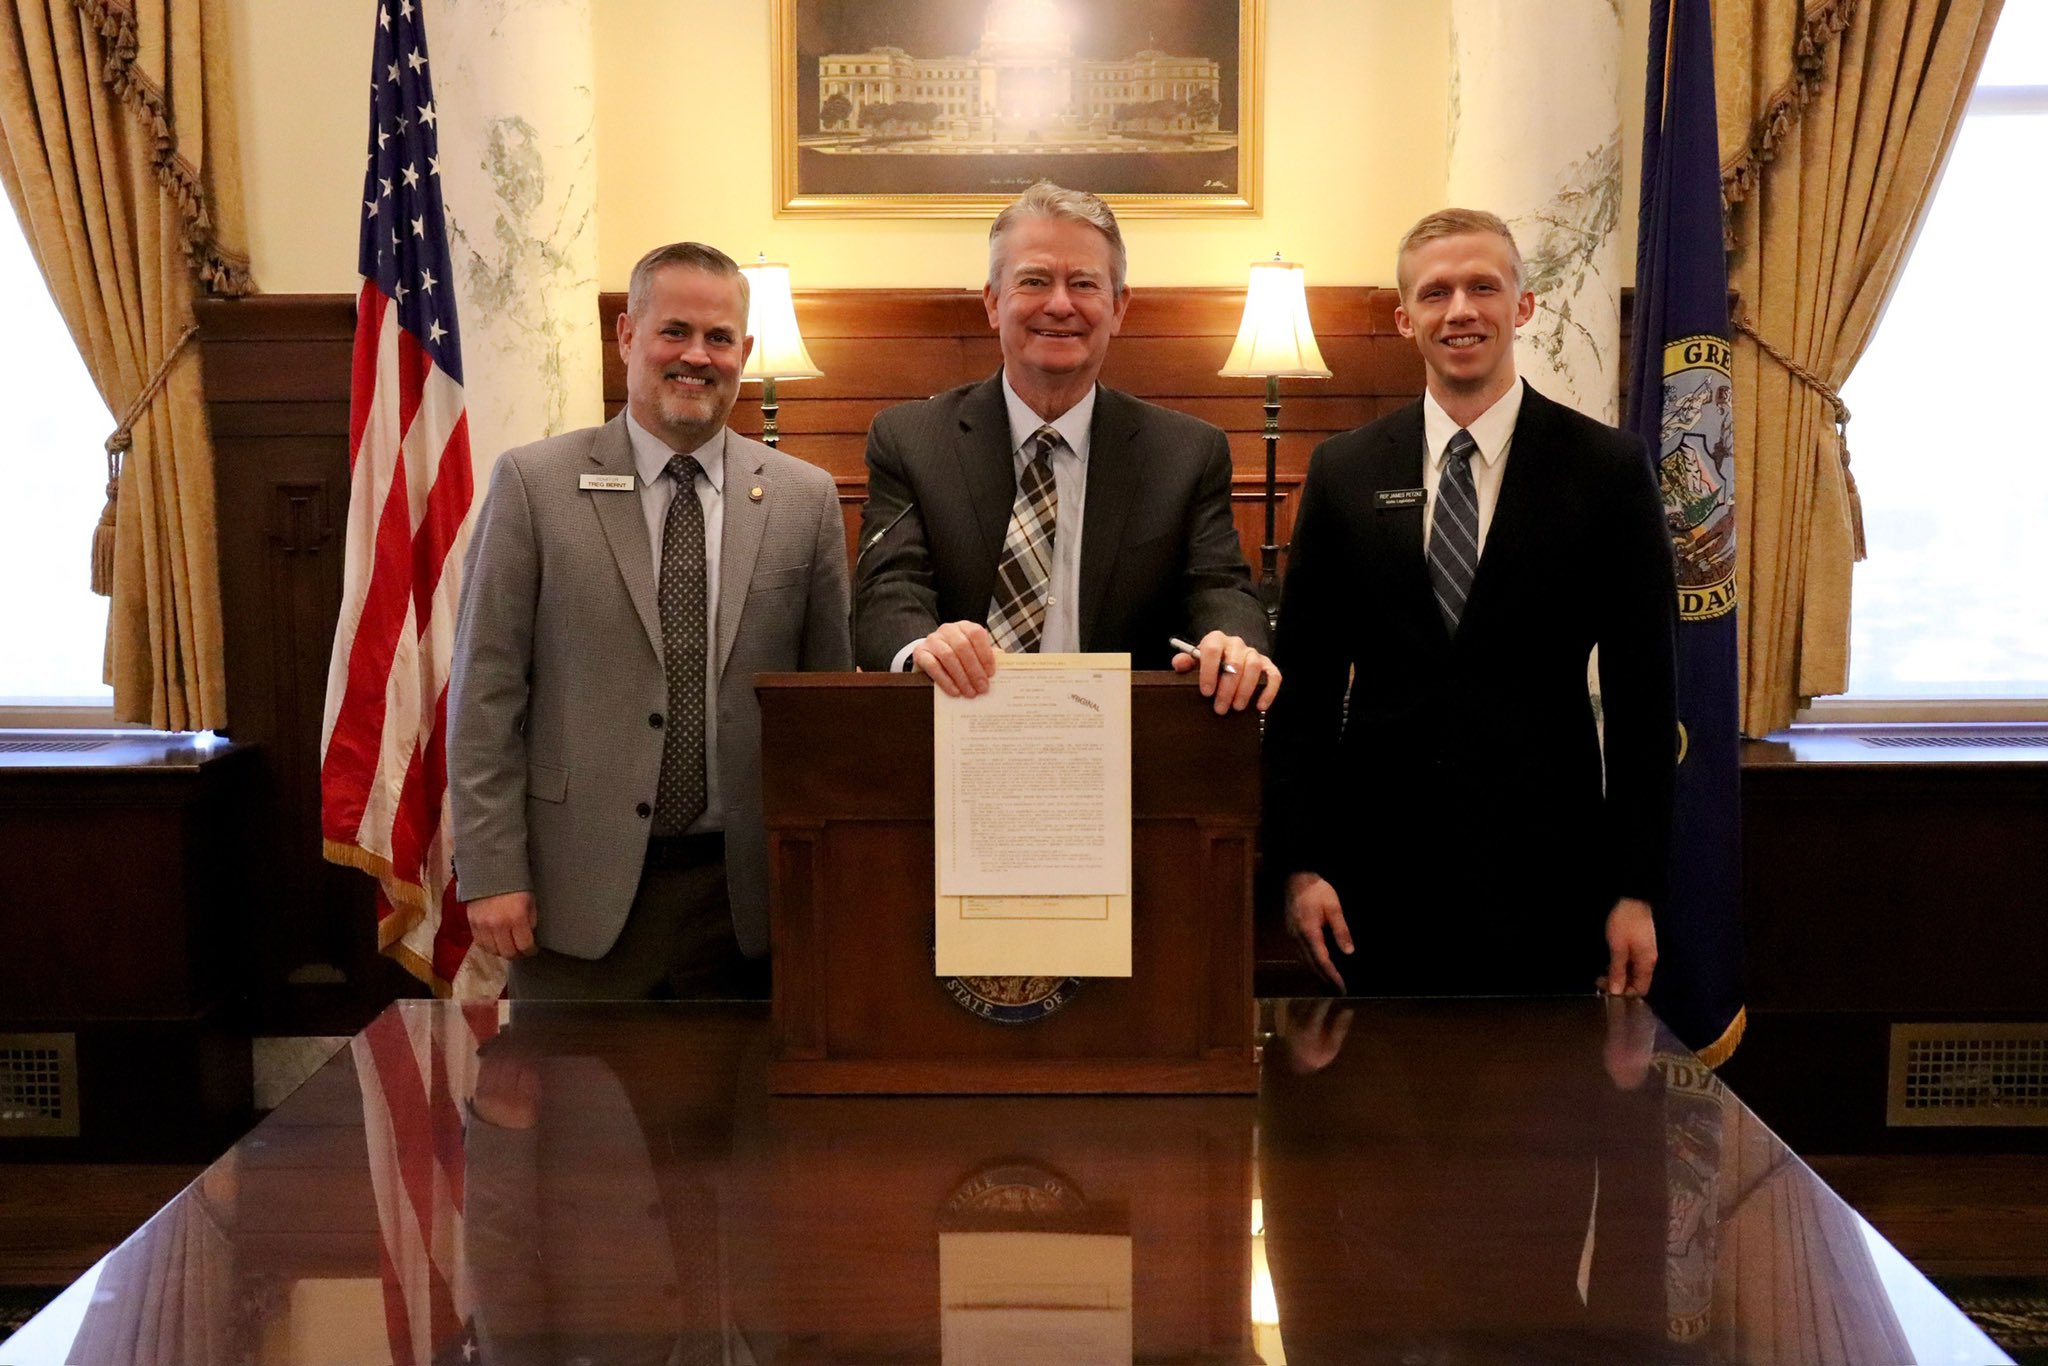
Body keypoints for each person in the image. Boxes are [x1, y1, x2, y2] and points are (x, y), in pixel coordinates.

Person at [1263, 208, 1676, 997]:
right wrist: (1300, 865)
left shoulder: (1607, 471)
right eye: (1436, 292)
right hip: (1372, 885)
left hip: (1550, 878)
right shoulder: (1343, 472)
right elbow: (1306, 695)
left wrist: (1635, 888)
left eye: (1483, 287)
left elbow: (1644, 702)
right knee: (1378, 1113)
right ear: (1404, 319)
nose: (1461, 310)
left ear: (1521, 307)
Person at [449, 241, 851, 999]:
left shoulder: (806, 499)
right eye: (675, 331)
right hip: (576, 896)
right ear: (628, 335)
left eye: (719, 338)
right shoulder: (533, 485)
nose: (696, 356)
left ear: (745, 352)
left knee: (746, 1118)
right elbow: (485, 696)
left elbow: (826, 711)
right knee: (570, 1117)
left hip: (749, 907)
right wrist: (492, 869)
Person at [854, 181, 1278, 713]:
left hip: (1124, 755)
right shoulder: (912, 440)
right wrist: (924, 647)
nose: (1060, 305)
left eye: (1083, 283)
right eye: (1033, 281)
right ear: (992, 301)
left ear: (1119, 308)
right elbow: (887, 590)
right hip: (954, 737)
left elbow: (1219, 589)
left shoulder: (1187, 452)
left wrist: (1232, 641)